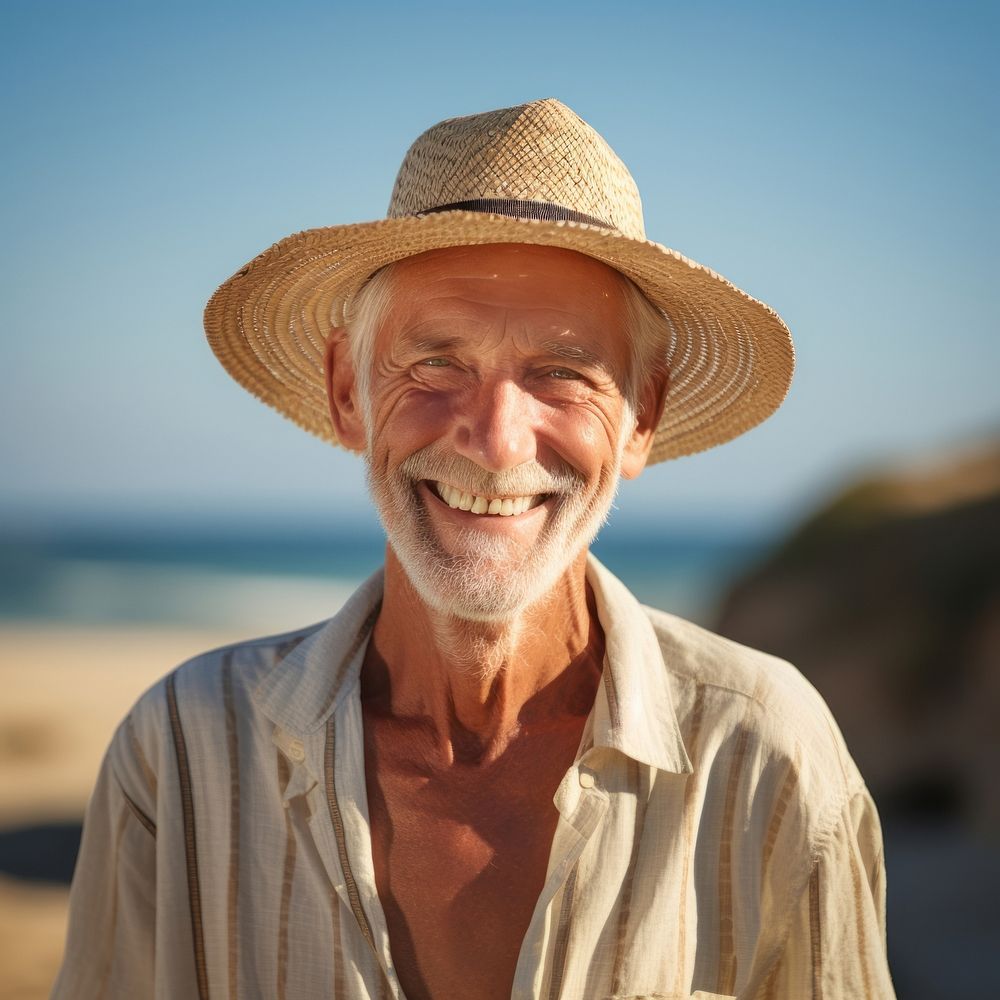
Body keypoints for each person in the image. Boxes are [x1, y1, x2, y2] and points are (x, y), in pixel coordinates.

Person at [53, 99, 896, 999]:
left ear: (641, 417)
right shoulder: (181, 753)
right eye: (435, 364)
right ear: (348, 391)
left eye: (562, 374)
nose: (496, 443)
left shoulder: (765, 751)